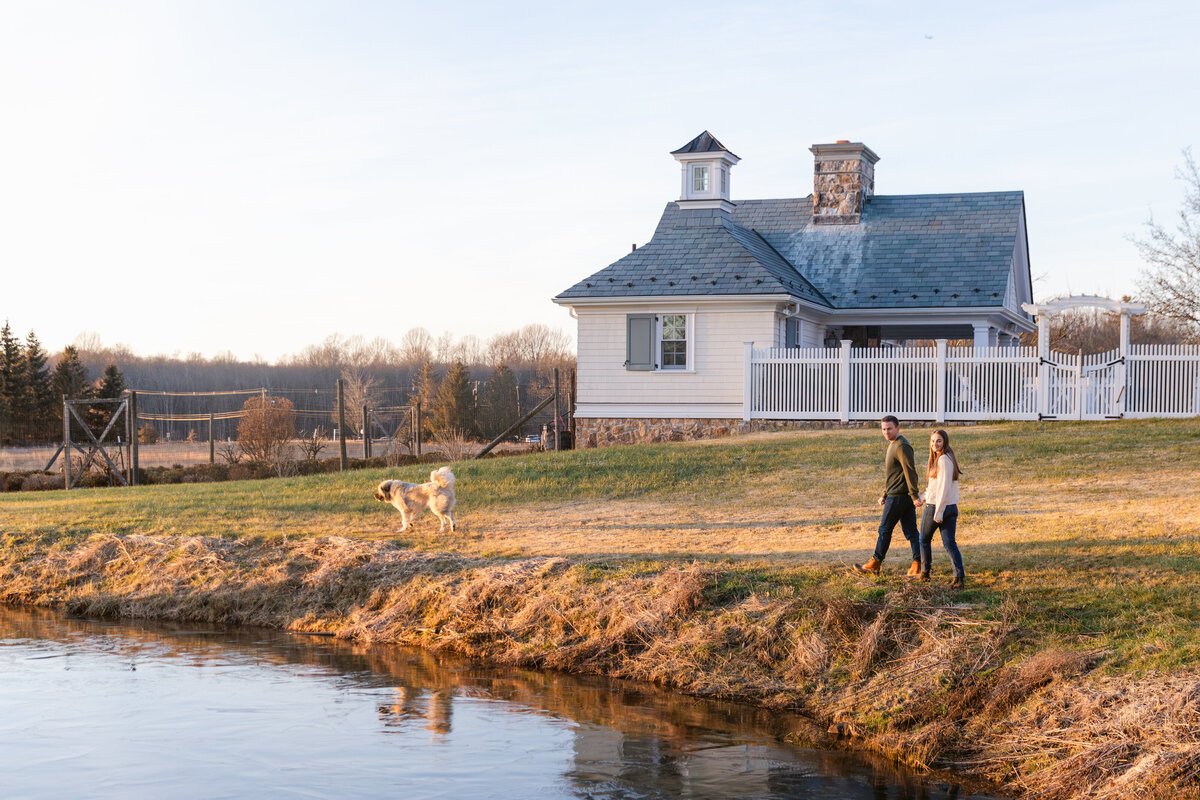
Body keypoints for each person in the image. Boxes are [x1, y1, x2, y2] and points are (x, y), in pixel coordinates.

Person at [855, 415, 923, 575]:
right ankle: (918, 564)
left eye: (889, 429)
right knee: (911, 532)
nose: (886, 432)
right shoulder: (892, 444)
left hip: (899, 497)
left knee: (884, 530)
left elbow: (910, 471)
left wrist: (914, 495)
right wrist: (884, 493)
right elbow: (893, 475)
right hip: (896, 495)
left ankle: (875, 563)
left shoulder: (902, 446)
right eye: (883, 429)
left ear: (898, 428)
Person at [918, 429, 965, 589]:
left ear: (945, 442)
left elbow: (943, 488)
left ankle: (925, 573)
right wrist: (922, 497)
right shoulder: (944, 458)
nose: (934, 444)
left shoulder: (943, 460)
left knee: (924, 539)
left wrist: (938, 511)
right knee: (949, 543)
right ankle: (959, 577)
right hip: (949, 506)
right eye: (932, 441)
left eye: (938, 441)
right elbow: (935, 487)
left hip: (938, 507)